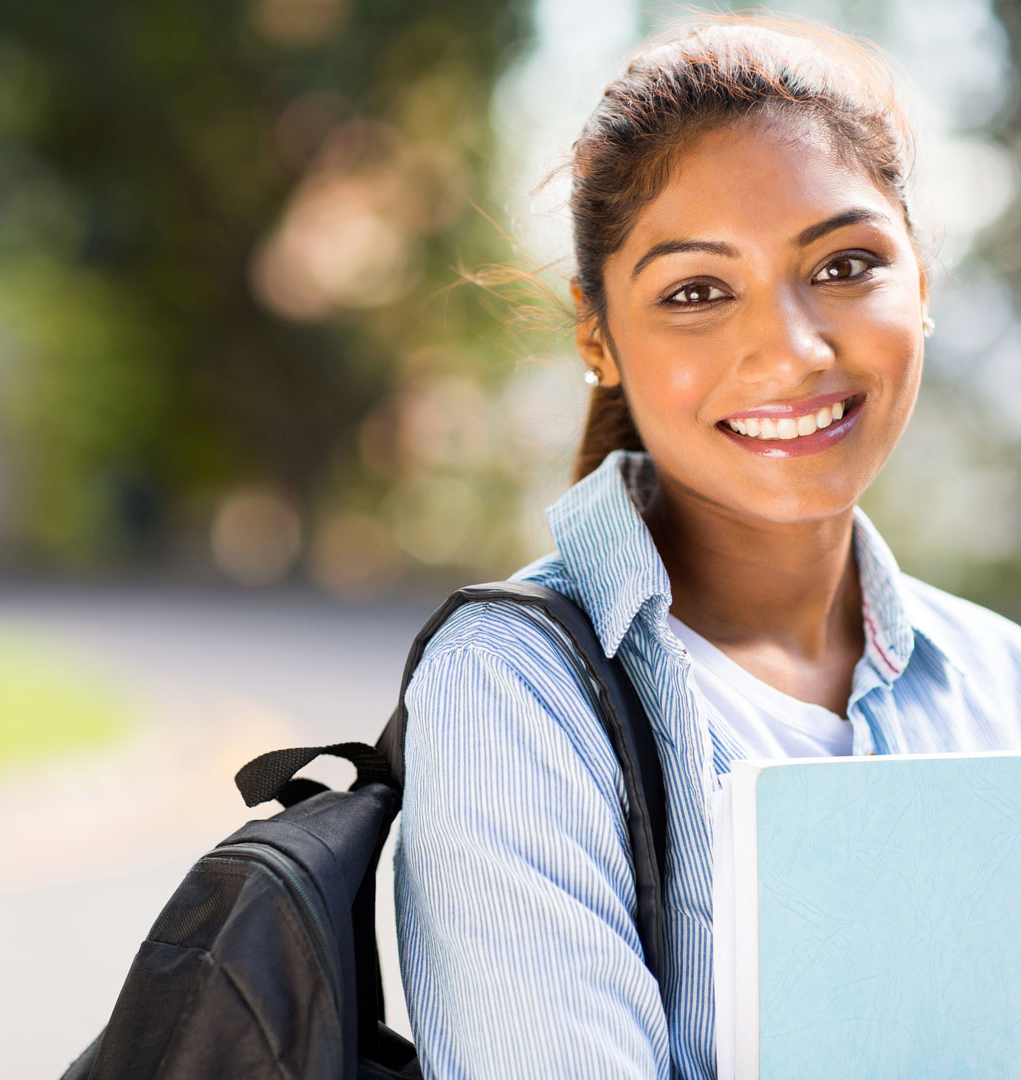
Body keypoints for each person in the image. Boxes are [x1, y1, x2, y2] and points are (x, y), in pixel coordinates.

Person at [393, 13, 1021, 1079]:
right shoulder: (512, 696)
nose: (791, 349)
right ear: (598, 336)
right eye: (695, 292)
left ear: (922, 281)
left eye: (845, 263)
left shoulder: (1002, 683)